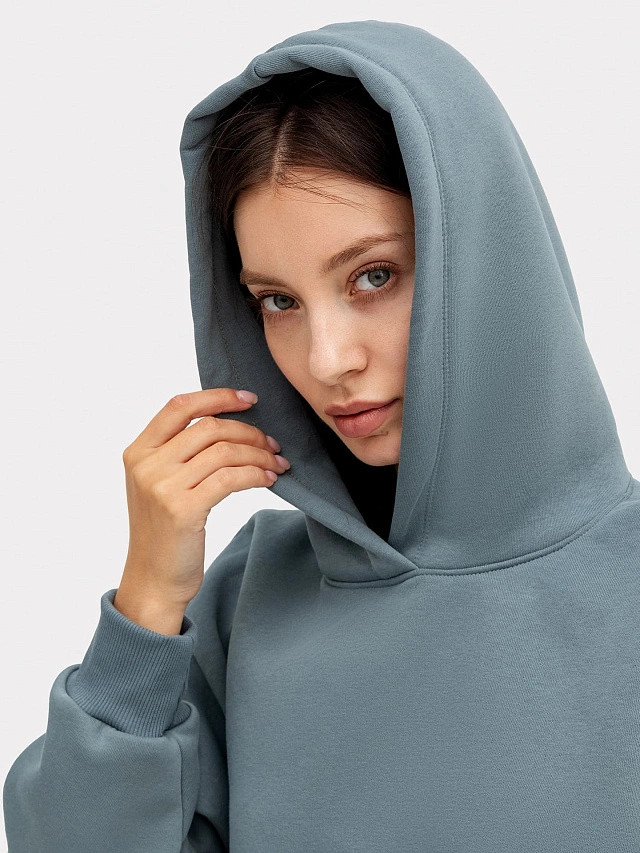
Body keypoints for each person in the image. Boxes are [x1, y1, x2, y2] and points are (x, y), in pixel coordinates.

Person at [3, 19, 639, 853]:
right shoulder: (246, 597)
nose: (327, 359)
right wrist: (147, 605)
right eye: (279, 301)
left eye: (373, 275)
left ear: (486, 257)